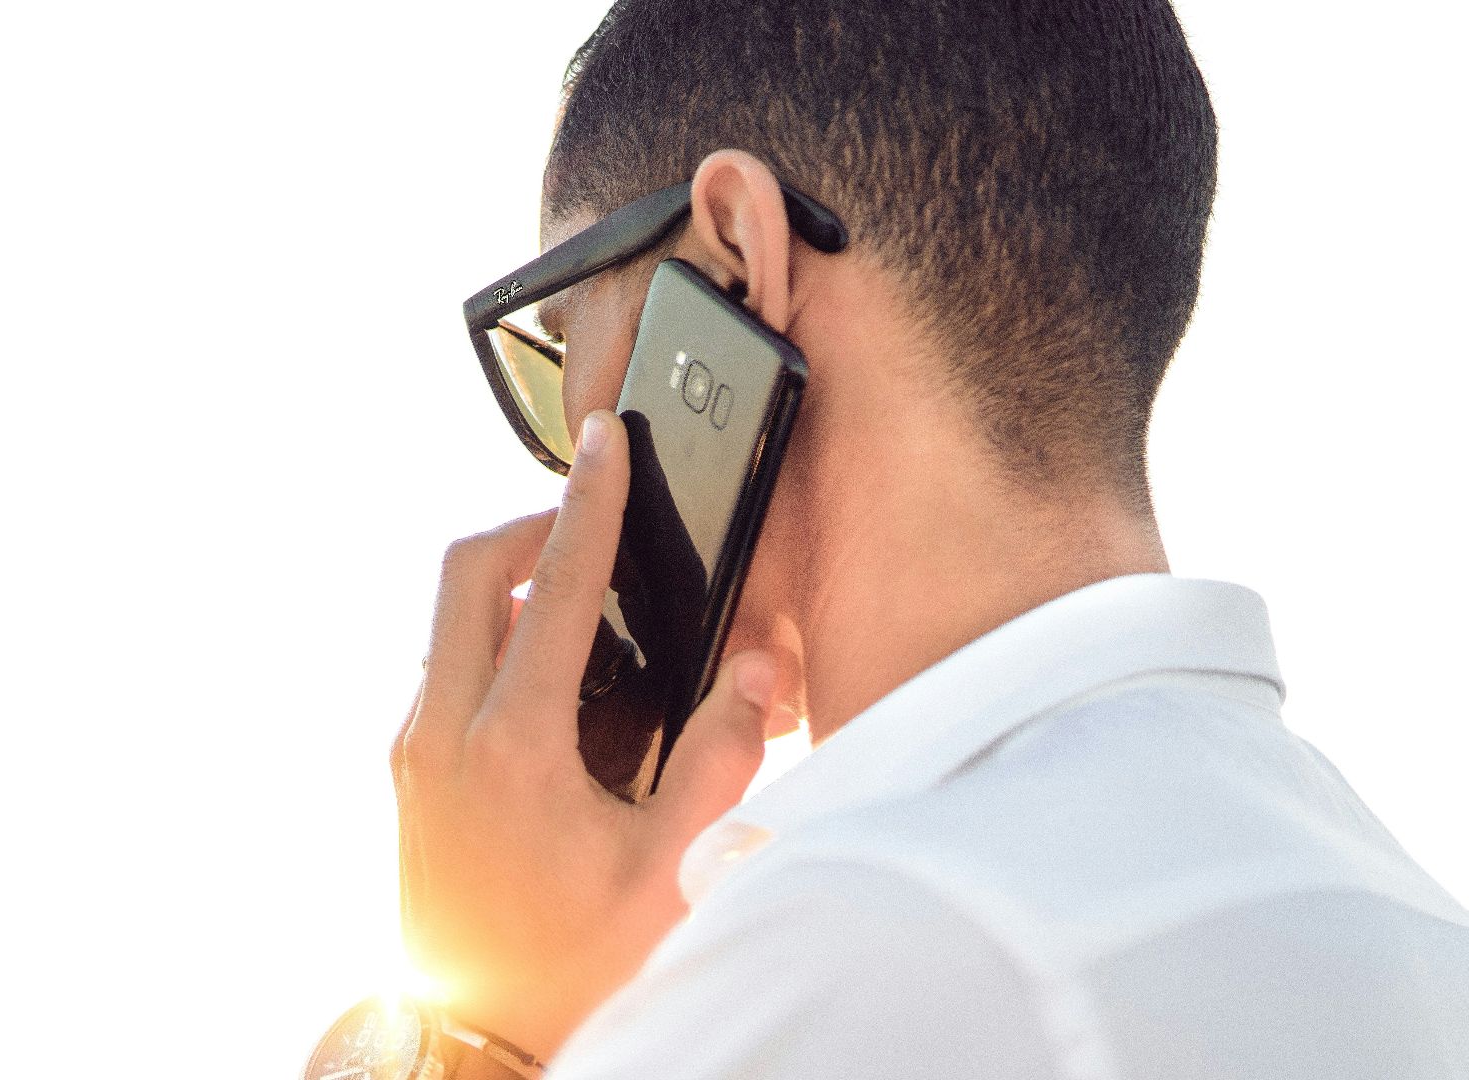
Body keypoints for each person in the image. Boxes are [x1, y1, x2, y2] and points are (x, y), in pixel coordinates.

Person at [381, 1, 1469, 1076]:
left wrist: (506, 1026)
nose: (571, 453)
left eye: (565, 335)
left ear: (736, 266)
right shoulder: (1412, 928)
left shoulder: (862, 958)